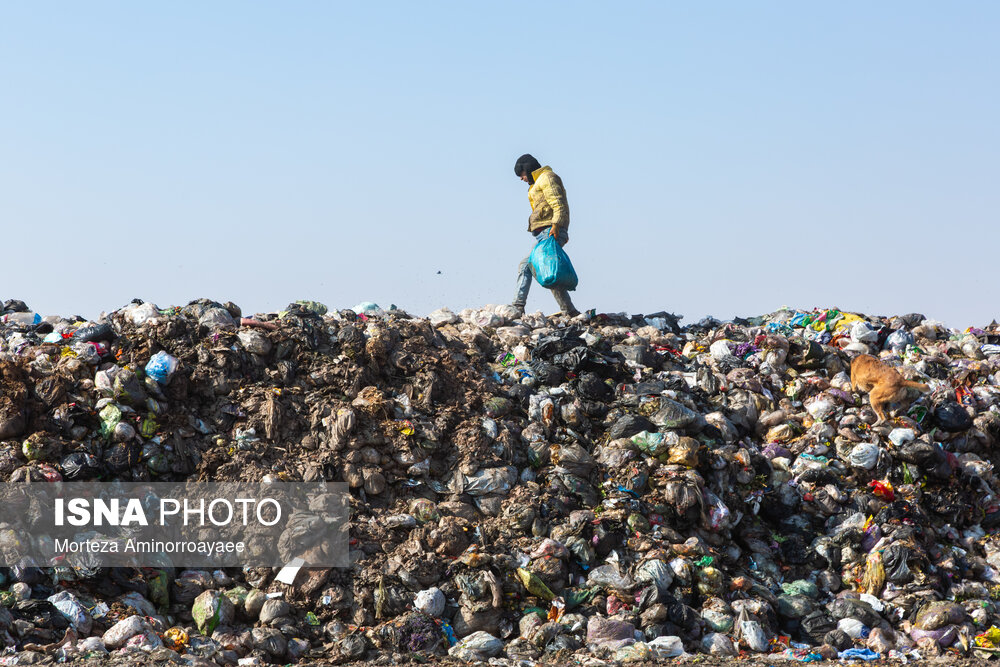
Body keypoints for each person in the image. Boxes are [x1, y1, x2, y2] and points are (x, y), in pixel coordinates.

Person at [510, 154, 580, 317]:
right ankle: (569, 310)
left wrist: (557, 225)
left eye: (522, 175)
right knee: (548, 272)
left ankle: (518, 306)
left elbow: (558, 202)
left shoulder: (547, 178)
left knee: (528, 265)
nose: (522, 179)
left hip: (549, 230)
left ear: (527, 169)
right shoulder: (538, 182)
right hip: (545, 232)